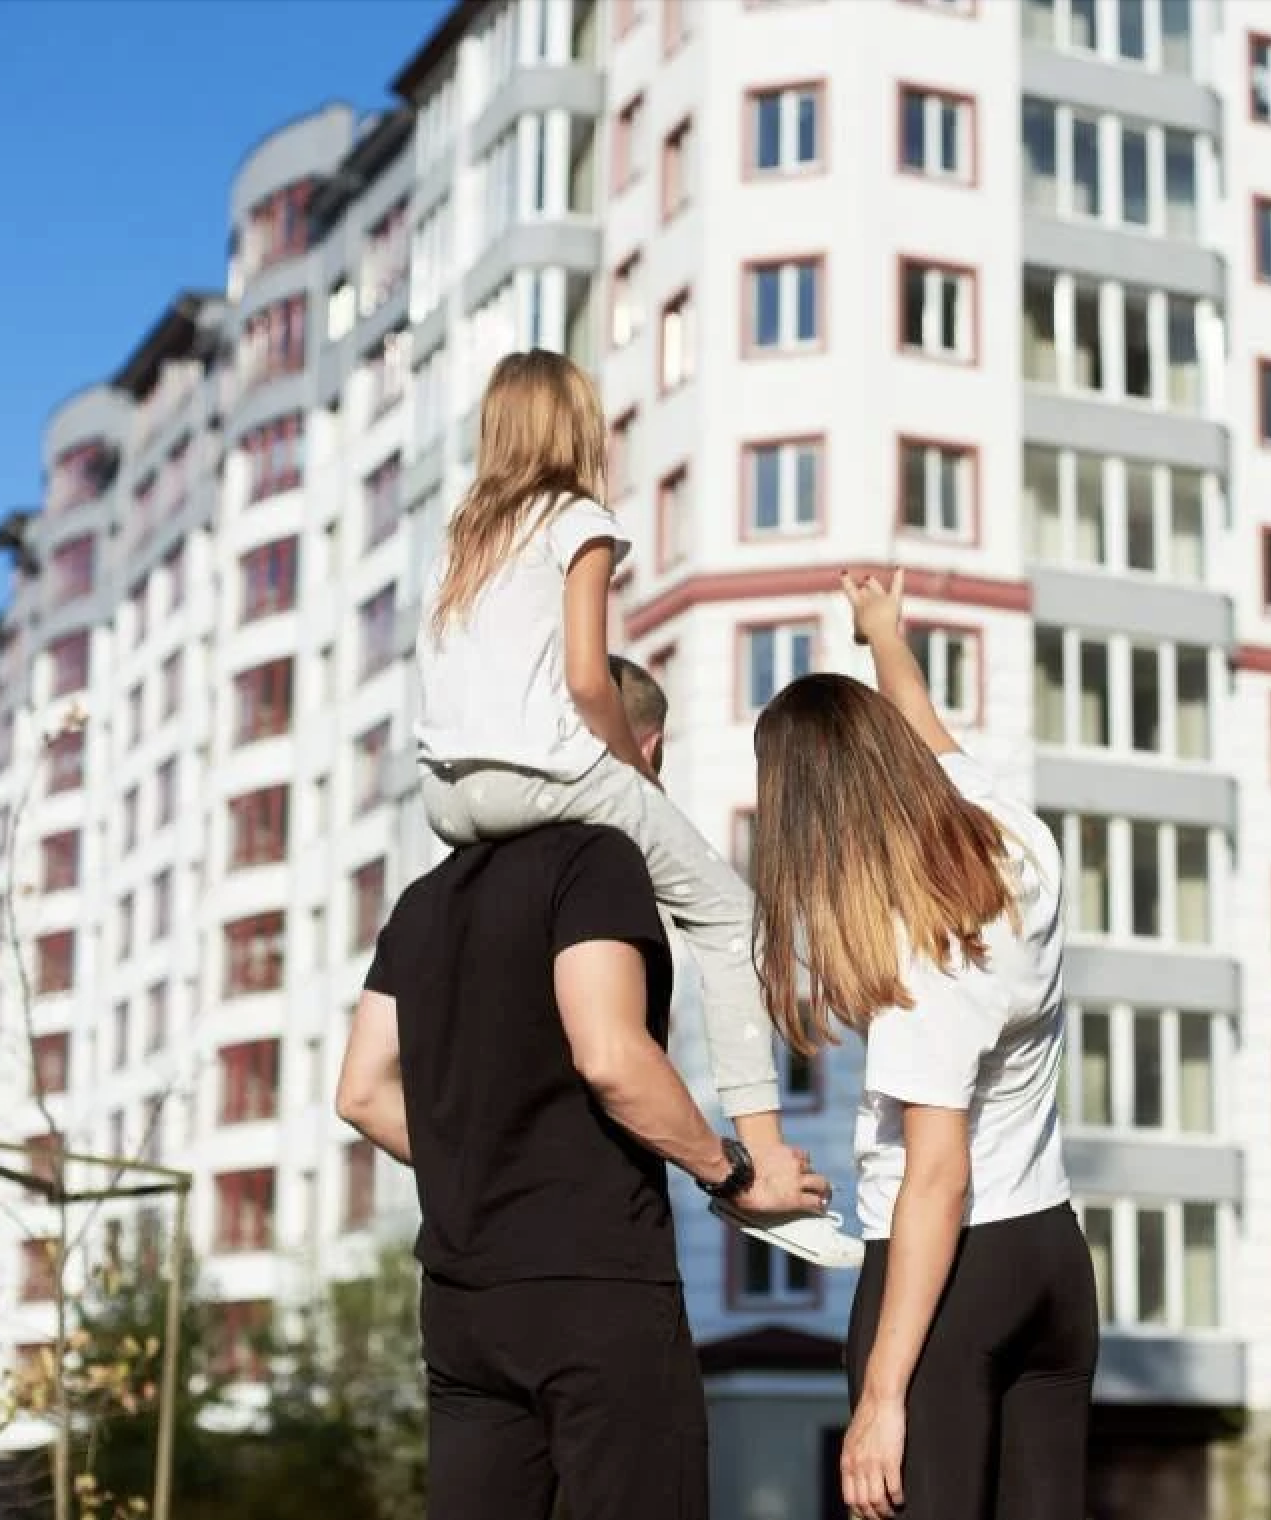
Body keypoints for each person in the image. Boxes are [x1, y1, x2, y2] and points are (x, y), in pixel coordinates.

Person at [413, 349, 856, 1268]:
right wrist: (636, 779)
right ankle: (767, 1166)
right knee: (729, 913)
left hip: (447, 797)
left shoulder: (460, 543)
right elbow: (587, 675)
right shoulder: (580, 521)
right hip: (541, 773)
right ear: (577, 428)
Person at [333, 718, 834, 1520]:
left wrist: (484, 1173)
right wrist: (734, 1172)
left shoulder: (425, 900)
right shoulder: (596, 857)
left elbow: (360, 1091)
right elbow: (610, 1057)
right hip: (593, 1286)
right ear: (640, 743)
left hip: (463, 1302)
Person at [748, 569, 1099, 1520]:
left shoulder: (925, 954)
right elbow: (926, 725)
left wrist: (882, 1397)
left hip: (954, 1281)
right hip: (1053, 1262)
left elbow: (936, 1178)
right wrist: (881, 631)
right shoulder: (1008, 836)